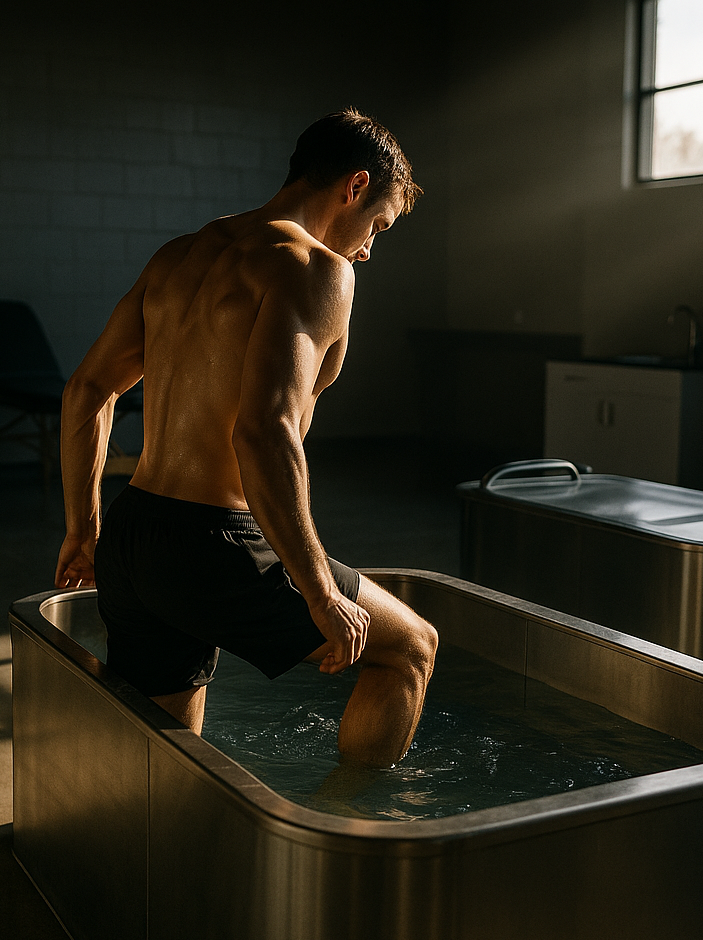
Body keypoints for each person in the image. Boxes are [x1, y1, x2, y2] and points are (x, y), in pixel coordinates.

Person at [54, 108, 437, 768]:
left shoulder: (179, 255)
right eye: (378, 225)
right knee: (409, 647)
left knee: (168, 755)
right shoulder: (314, 267)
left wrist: (82, 529)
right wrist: (318, 591)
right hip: (214, 544)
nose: (369, 249)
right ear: (354, 185)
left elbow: (87, 391)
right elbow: (264, 431)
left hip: (134, 533)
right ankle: (347, 845)